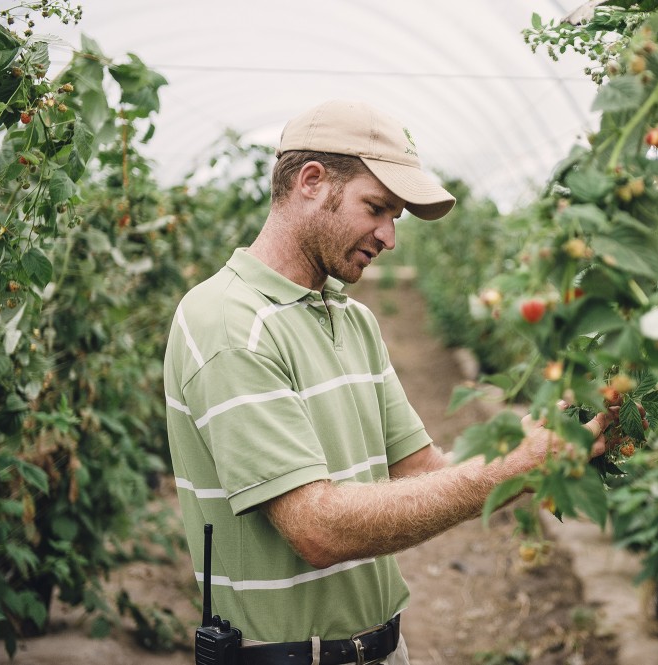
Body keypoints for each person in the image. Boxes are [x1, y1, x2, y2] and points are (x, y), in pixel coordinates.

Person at [163, 99, 612, 665]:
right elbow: (316, 528)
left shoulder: (352, 319)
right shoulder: (229, 324)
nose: (389, 236)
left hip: (382, 647)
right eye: (377, 208)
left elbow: (423, 472)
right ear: (310, 181)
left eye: (394, 216)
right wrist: (513, 465)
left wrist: (539, 456)